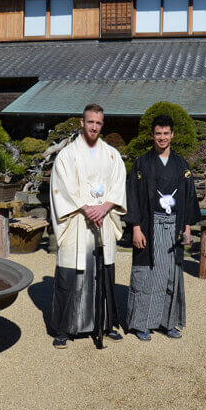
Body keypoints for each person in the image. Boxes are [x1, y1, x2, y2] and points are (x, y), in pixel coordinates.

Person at [49, 103, 127, 348]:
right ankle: (64, 329)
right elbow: (62, 188)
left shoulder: (112, 155)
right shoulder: (66, 155)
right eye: (90, 122)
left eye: (98, 123)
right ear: (82, 123)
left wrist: (104, 208)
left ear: (102, 125)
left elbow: (118, 185)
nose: (94, 126)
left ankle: (106, 324)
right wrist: (86, 208)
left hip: (104, 219)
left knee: (104, 271)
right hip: (76, 222)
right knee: (71, 274)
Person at [124, 114, 201, 341]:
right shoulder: (142, 163)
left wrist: (187, 228)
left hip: (174, 226)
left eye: (166, 133)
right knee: (147, 275)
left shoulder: (181, 165)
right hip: (149, 225)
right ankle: (142, 324)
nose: (162, 138)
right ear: (152, 135)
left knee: (171, 275)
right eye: (158, 133)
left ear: (172, 135)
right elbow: (133, 197)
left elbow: (188, 198)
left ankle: (169, 322)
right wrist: (136, 227)